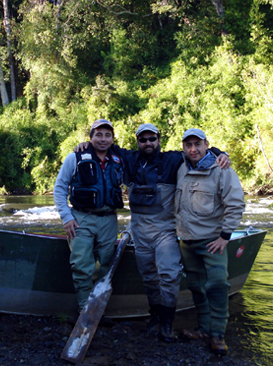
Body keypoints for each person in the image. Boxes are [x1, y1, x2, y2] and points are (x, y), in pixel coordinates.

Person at [74, 123, 230, 342]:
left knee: (169, 274)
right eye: (143, 140)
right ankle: (155, 317)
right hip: (139, 231)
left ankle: (167, 323)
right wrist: (85, 145)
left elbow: (198, 152)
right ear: (137, 142)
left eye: (152, 139)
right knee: (148, 277)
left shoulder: (173, 159)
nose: (148, 143)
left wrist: (219, 153)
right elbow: (103, 146)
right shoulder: (127, 158)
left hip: (165, 231)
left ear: (159, 140)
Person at [175, 128, 245, 355]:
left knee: (217, 286)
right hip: (187, 240)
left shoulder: (222, 169)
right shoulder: (181, 167)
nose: (193, 149)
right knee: (196, 286)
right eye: (188, 145)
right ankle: (203, 329)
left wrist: (225, 237)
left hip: (212, 241)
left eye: (197, 144)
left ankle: (217, 335)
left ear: (207, 145)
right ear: (183, 147)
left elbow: (235, 204)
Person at [53, 119, 124, 321]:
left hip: (109, 219)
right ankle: (85, 309)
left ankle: (99, 308)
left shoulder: (119, 159)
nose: (103, 139)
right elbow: (59, 188)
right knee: (81, 264)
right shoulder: (74, 157)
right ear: (90, 137)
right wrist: (66, 217)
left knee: (107, 266)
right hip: (81, 218)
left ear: (112, 138)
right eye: (98, 134)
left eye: (107, 135)